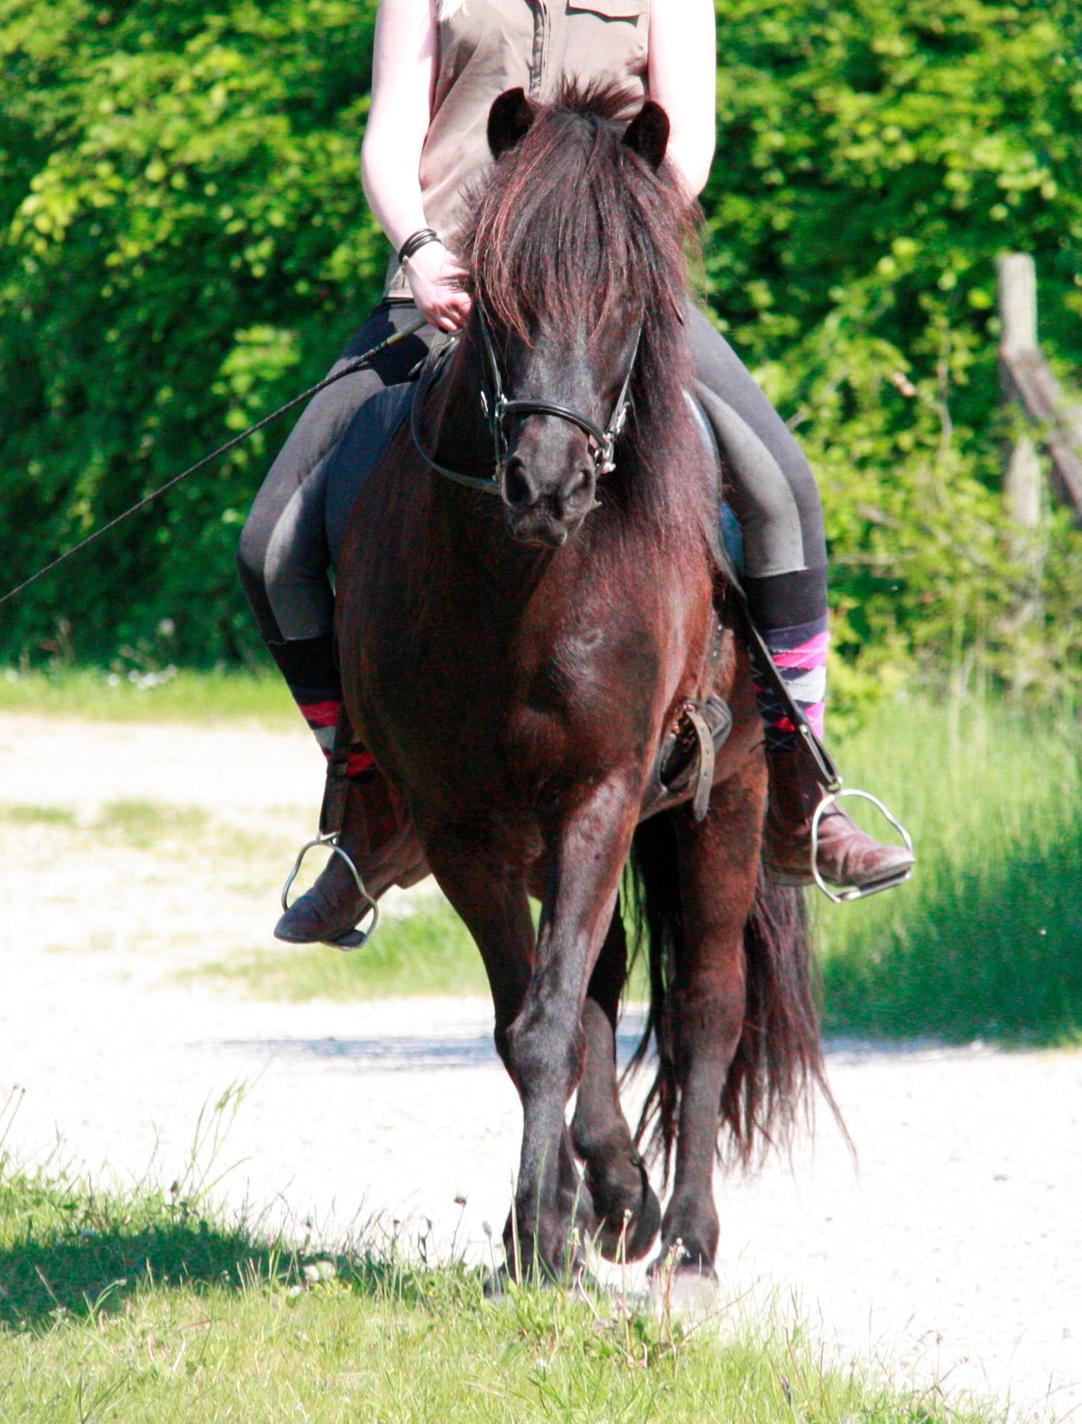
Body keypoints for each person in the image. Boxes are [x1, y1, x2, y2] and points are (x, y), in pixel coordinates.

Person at [237, 0, 914, 946]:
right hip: (450, 292)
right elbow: (390, 140)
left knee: (783, 490)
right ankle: (371, 800)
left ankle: (805, 792)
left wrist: (596, 251)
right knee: (270, 546)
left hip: (608, 290)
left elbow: (688, 144)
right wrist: (425, 251)